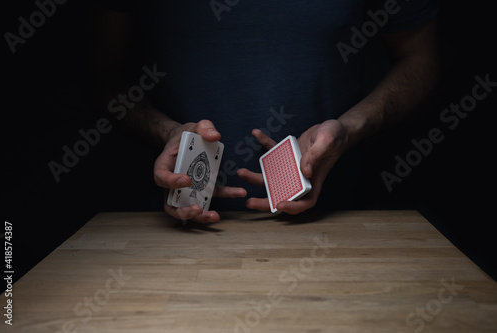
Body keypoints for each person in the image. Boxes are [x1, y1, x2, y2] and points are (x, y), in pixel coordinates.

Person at [87, 0, 440, 223]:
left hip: (335, 224)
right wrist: (165, 131)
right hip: (165, 231)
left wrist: (349, 127)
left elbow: (420, 57)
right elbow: (98, 76)